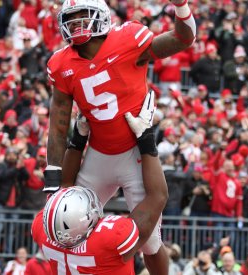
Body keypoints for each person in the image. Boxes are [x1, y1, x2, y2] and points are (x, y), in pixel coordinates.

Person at [45, 0, 195, 271]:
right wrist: (52, 176)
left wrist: (182, 6)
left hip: (135, 153)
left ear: (100, 16)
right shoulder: (60, 63)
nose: (76, 23)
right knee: (65, 223)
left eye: (83, 15)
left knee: (149, 242)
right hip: (98, 154)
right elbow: (58, 123)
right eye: (71, 17)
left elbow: (182, 39)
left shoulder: (128, 39)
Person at [32, 97, 167, 274]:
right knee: (152, 244)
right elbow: (158, 196)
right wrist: (146, 138)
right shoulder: (110, 240)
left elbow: (65, 186)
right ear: (85, 222)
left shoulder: (45, 228)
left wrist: (79, 136)